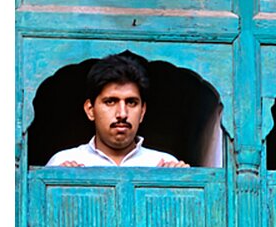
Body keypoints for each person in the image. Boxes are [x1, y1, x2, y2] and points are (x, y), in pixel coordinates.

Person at [46, 54, 189, 167]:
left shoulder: (163, 165)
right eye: (110, 102)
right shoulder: (63, 163)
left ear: (142, 111)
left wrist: (181, 181)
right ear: (90, 110)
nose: (122, 114)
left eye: (131, 102)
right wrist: (60, 182)